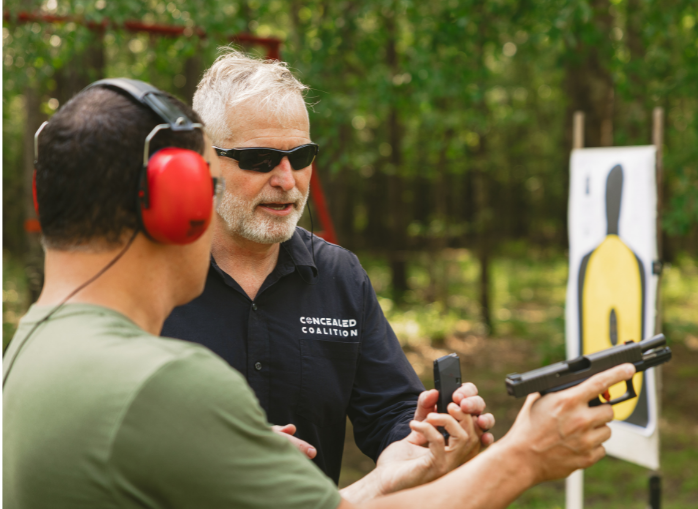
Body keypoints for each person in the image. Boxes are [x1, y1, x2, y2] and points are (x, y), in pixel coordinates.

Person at [4, 78, 635, 509]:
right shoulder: (161, 384)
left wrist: (393, 469)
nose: (285, 179)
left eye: (300, 155)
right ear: (181, 203)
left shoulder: (32, 351)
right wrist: (525, 456)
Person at [161, 50, 493, 482]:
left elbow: (391, 410)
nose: (286, 180)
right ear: (202, 160)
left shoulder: (340, 276)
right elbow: (100, 430)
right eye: (260, 159)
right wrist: (218, 454)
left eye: (300, 157)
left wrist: (416, 447)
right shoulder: (148, 274)